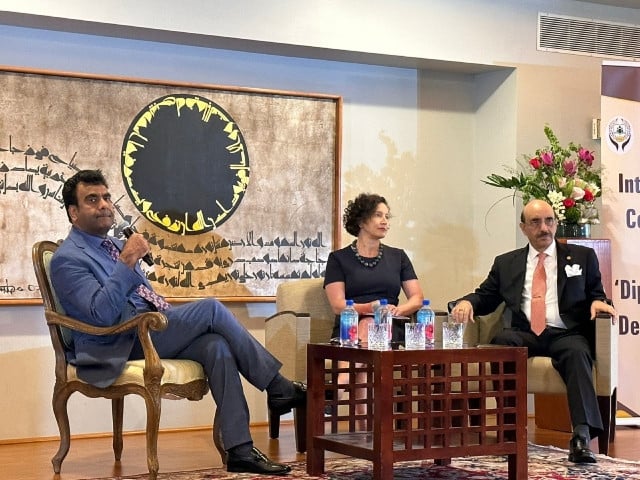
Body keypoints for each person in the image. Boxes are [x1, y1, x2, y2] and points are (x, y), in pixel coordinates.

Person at [50, 169, 305, 475]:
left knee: (216, 345)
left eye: (106, 197)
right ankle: (278, 387)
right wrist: (127, 261)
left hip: (144, 329)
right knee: (211, 308)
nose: (104, 205)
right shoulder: (69, 258)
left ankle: (240, 449)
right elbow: (100, 314)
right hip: (114, 342)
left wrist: (129, 265)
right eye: (92, 199)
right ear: (73, 213)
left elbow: (141, 295)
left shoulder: (115, 246)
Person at [450, 199, 616, 464]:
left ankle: (581, 437)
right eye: (536, 222)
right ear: (523, 227)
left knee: (578, 353)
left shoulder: (583, 257)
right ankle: (508, 431)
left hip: (566, 333)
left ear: (556, 223)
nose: (544, 228)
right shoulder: (506, 263)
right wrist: (467, 301)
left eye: (549, 221)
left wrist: (600, 302)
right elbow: (486, 295)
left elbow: (597, 294)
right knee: (502, 344)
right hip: (525, 333)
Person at [324, 193, 425, 341]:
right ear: (361, 221)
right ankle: (358, 361)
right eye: (378, 215)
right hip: (351, 323)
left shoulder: (398, 256)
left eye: (387, 216)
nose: (385, 221)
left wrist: (398, 310)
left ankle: (357, 363)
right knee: (368, 323)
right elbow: (338, 305)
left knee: (372, 324)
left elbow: (417, 298)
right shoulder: (338, 259)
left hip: (391, 322)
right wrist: (370, 308)